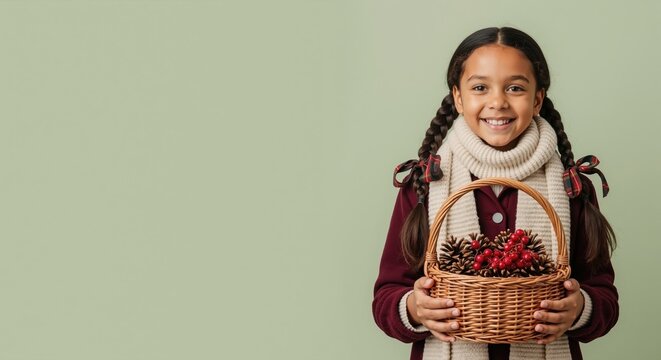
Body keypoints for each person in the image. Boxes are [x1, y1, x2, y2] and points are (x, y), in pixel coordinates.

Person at [372, 27, 619, 360]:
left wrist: (580, 308)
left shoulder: (570, 186)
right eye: (479, 88)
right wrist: (416, 308)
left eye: (515, 87)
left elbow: (605, 297)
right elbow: (386, 297)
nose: (498, 102)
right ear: (458, 97)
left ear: (537, 99)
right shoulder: (426, 182)